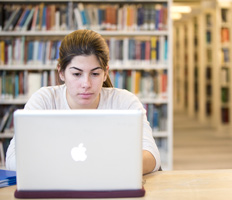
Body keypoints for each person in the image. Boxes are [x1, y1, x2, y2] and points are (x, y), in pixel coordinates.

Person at [5, 29, 161, 174]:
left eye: (95, 74)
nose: (86, 83)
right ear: (61, 72)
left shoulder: (125, 102)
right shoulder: (44, 101)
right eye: (77, 74)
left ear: (105, 73)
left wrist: (86, 168)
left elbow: (152, 157)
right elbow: (13, 159)